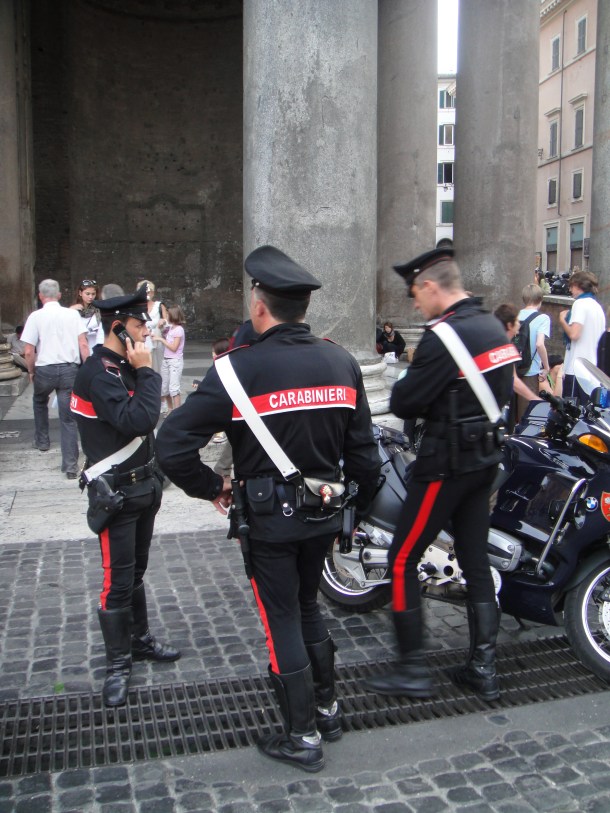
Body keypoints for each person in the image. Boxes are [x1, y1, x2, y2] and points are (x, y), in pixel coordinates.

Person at [156, 245, 380, 772]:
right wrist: (353, 511)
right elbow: (366, 459)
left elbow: (170, 445)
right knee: (307, 607)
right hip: (323, 515)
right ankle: (327, 708)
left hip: (269, 519)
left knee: (281, 616)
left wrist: (213, 485)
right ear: (302, 308)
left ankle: (302, 735)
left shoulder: (236, 371)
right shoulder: (341, 361)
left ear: (260, 305)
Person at [363, 248, 514, 704]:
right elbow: (502, 391)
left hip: (444, 466)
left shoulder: (443, 336)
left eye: (414, 294)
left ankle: (411, 670)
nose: (414, 305)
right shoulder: (492, 326)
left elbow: (406, 402)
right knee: (474, 561)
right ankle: (483, 670)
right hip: (484, 463)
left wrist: (415, 384)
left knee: (404, 558)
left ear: (430, 286)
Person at [70, 285, 180, 708]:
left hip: (143, 487)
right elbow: (138, 419)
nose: (147, 333)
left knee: (135, 573)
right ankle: (118, 664)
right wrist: (149, 371)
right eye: (139, 326)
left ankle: (140, 641)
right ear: (119, 327)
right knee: (116, 582)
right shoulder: (100, 372)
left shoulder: (124, 364)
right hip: (115, 494)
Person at [21, 279, 89, 478]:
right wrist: (88, 368)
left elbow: (28, 350)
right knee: (68, 419)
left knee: (39, 399)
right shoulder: (72, 314)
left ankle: (42, 440)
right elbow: (83, 344)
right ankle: (70, 466)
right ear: (59, 295)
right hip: (69, 369)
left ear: (40, 297)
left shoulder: (36, 316)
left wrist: (31, 371)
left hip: (45, 369)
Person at [493, 303, 542, 431]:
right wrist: (535, 399)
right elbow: (513, 380)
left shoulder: (495, 342)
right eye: (516, 321)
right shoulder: (504, 346)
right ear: (510, 325)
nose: (519, 324)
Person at [559, 270, 606, 403]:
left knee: (572, 414)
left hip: (577, 370)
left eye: (571, 286)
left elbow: (574, 334)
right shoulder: (597, 307)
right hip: (593, 370)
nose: (570, 289)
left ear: (578, 285)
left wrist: (562, 320)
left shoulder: (580, 304)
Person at [515, 284, 550, 421]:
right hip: (530, 370)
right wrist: (546, 368)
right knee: (527, 414)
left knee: (514, 414)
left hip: (514, 369)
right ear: (540, 299)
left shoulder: (516, 316)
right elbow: (539, 344)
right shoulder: (543, 318)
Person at [153, 304, 186, 414]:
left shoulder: (179, 330)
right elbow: (162, 331)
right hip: (166, 360)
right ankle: (170, 409)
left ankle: (177, 413)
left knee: (174, 388)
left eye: (167, 314)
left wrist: (161, 340)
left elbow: (174, 347)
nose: (165, 316)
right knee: (165, 387)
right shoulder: (171, 328)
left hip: (174, 361)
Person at [136, 279, 168, 374]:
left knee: (158, 368)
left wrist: (163, 321)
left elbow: (167, 322)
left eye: (149, 292)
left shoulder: (159, 306)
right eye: (144, 292)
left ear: (153, 293)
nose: (147, 294)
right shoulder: (136, 307)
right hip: (142, 341)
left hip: (157, 341)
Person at [70, 279, 102, 354]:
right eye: (87, 294)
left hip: (96, 348)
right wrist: (70, 310)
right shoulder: (74, 310)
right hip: (79, 350)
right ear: (80, 293)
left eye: (93, 294)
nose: (91, 297)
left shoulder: (99, 310)